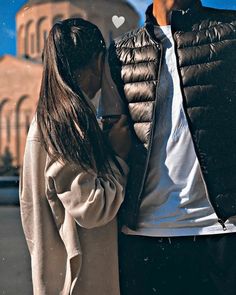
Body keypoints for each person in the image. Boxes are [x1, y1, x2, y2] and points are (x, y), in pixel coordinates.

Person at [99, 0, 236, 294]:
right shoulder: (121, 51)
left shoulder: (230, 30)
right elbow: (115, 139)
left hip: (222, 231)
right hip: (145, 232)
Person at [20, 18, 130, 295]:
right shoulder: (67, 121)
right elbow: (91, 207)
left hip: (59, 277)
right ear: (98, 62)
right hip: (79, 282)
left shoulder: (48, 118)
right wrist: (119, 156)